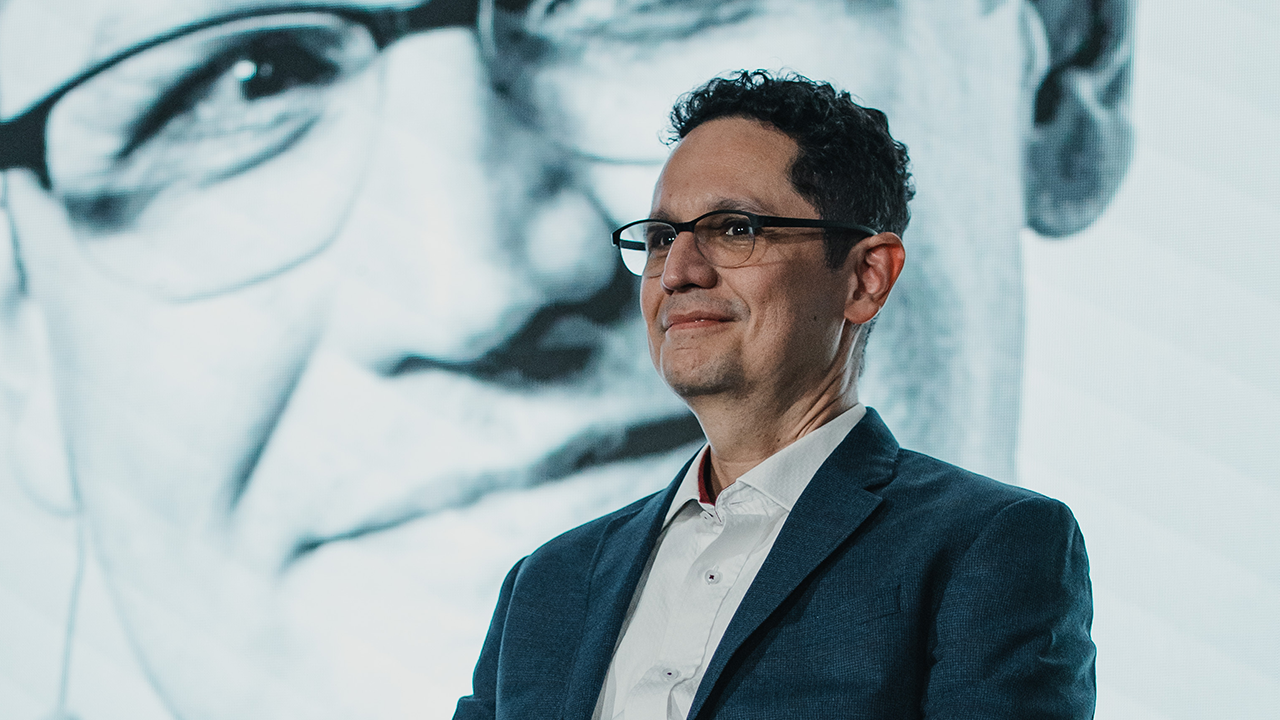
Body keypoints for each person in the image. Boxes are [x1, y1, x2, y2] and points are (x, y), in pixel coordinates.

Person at [0, 0, 1129, 718]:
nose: (472, 287)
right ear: (21, 348)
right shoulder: (545, 586)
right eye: (251, 78)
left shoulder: (993, 549)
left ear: (1067, 55)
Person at [455, 70, 1095, 720]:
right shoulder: (548, 583)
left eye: (735, 229)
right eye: (660, 239)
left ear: (867, 277)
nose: (677, 272)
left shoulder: (987, 547)